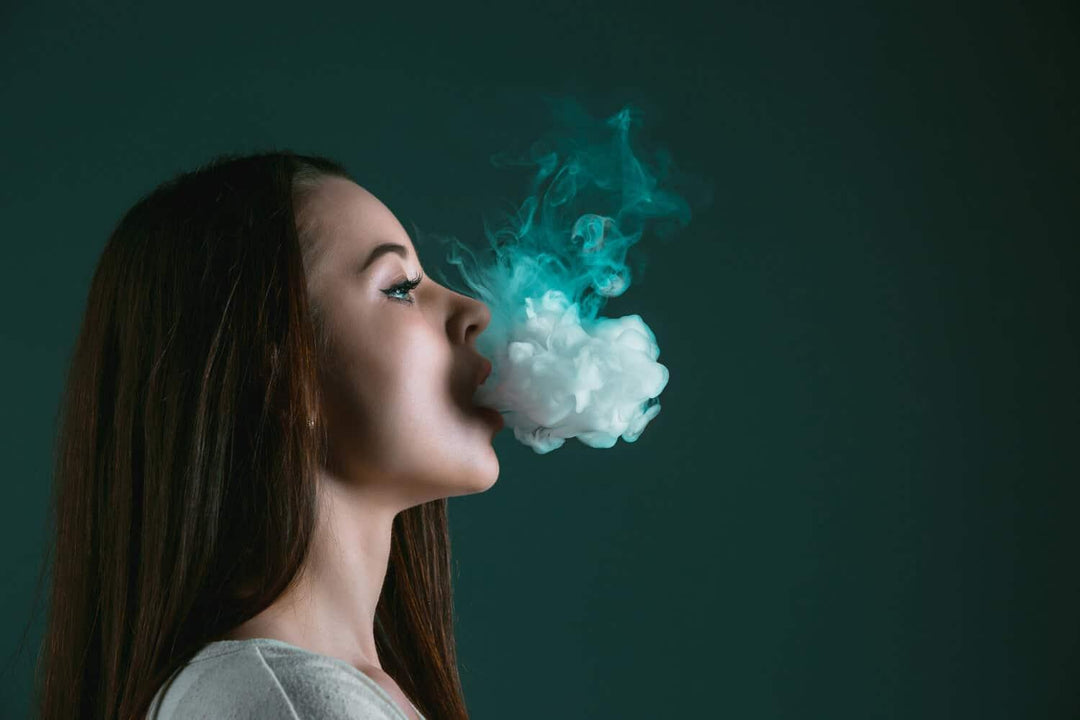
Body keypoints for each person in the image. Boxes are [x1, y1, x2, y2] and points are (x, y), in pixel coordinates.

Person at [32, 151, 502, 720]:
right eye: (400, 286)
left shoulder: (300, 693)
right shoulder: (289, 702)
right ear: (280, 376)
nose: (475, 311)